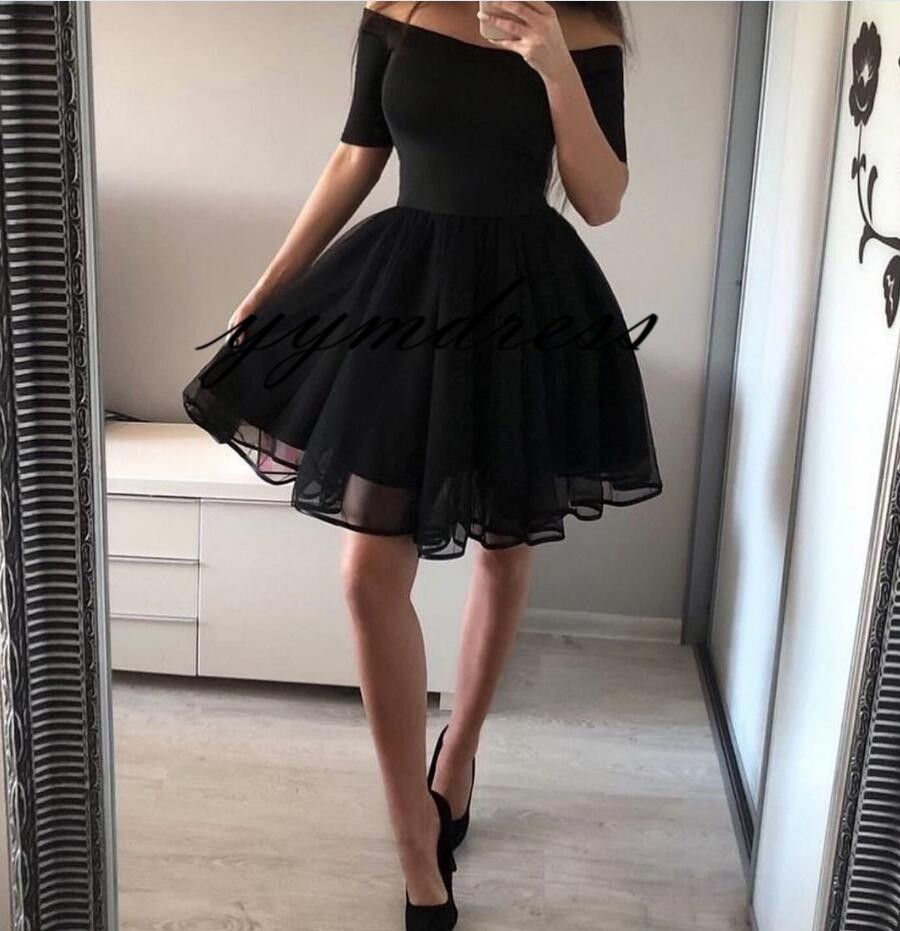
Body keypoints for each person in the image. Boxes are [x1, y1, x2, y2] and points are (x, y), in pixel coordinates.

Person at [182, 1, 662, 926]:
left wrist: (553, 62)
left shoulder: (584, 29)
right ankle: (415, 839)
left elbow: (601, 198)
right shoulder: (396, 5)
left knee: (505, 548)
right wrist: (271, 285)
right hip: (403, 294)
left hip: (524, 302)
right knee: (368, 573)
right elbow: (354, 156)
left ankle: (461, 751)